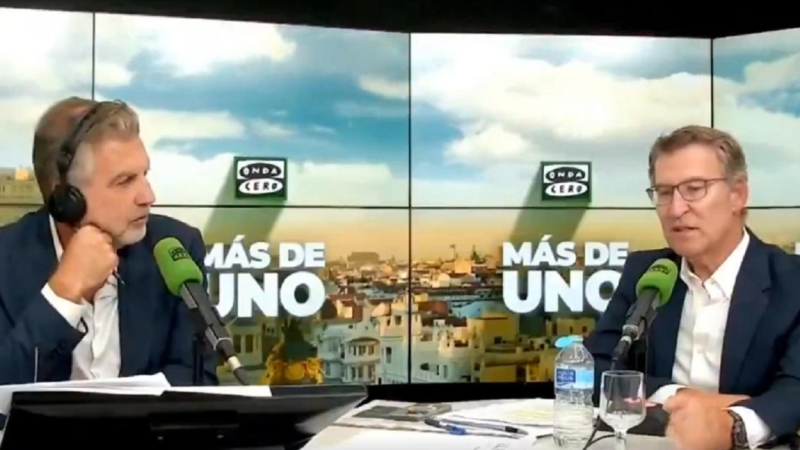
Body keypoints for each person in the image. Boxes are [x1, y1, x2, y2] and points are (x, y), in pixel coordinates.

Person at [586, 125, 800, 450]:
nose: (676, 209)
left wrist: (730, 426)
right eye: (664, 192)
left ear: (738, 194)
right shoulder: (646, 272)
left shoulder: (791, 281)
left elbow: (795, 390)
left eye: (694, 189)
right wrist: (679, 397)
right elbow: (596, 365)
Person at [0, 97, 218, 387]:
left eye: (144, 175)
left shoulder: (176, 246)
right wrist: (62, 296)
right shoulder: (6, 259)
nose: (148, 196)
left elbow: (196, 379)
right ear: (64, 196)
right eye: (124, 181)